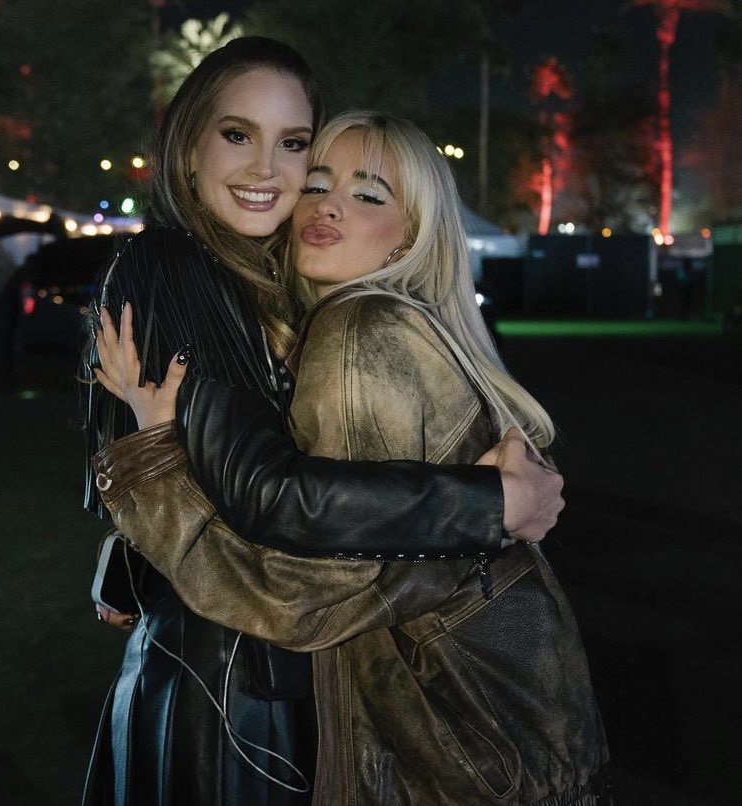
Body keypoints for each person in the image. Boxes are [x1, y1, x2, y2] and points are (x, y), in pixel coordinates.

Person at [83, 37, 563, 805]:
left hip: (262, 674)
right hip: (230, 690)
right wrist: (494, 504)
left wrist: (133, 548)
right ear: (188, 146)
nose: (269, 169)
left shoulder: (267, 285)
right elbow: (269, 493)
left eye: (294, 143)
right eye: (237, 134)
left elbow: (231, 460)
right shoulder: (177, 264)